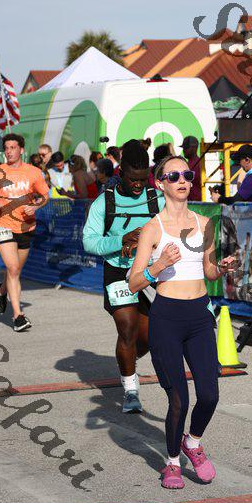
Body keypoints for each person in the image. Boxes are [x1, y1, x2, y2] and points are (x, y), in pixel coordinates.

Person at [128, 155, 235, 489]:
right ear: (159, 183)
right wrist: (158, 266)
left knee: (210, 395)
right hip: (167, 318)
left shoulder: (204, 223)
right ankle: (172, 463)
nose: (182, 181)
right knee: (179, 399)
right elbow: (133, 283)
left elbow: (209, 271)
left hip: (199, 317)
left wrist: (222, 268)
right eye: (173, 176)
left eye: (186, 174)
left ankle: (193, 442)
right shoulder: (152, 228)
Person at [83, 140, 165, 413]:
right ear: (121, 173)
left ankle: (127, 357)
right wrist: (121, 240)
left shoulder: (158, 199)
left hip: (150, 271)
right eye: (133, 179)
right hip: (118, 270)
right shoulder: (104, 202)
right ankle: (130, 390)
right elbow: (89, 242)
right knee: (127, 327)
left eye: (143, 179)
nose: (139, 185)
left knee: (149, 338)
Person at [0, 133, 49, 331]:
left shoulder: (33, 172)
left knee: (14, 270)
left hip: (26, 226)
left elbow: (45, 196)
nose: (9, 151)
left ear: (21, 150)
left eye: (13, 148)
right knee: (13, 268)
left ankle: (2, 291)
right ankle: (18, 316)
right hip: (2, 224)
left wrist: (35, 206)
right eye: (6, 148)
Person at [181, 135, 201, 201]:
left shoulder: (200, 164)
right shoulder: (186, 164)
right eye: (183, 148)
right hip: (188, 202)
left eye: (186, 148)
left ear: (194, 148)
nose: (184, 150)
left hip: (198, 202)